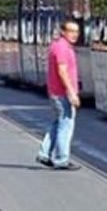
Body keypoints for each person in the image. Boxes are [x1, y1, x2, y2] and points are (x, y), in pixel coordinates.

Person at [36, 20, 82, 170]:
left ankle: (44, 154)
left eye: (76, 31)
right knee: (66, 125)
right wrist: (71, 92)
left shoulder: (59, 45)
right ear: (63, 32)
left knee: (59, 123)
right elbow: (62, 71)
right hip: (62, 93)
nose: (75, 34)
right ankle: (62, 159)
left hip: (56, 92)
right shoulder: (62, 48)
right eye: (71, 31)